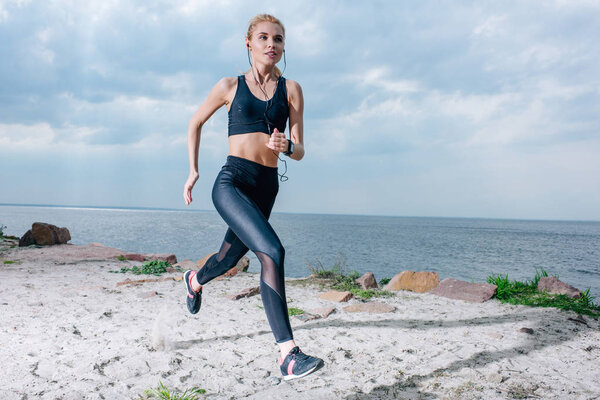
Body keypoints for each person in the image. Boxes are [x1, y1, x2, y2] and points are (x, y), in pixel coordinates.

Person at [182, 14, 324, 381]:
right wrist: (193, 170)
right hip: (232, 182)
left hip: (266, 186)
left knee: (228, 259)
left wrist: (288, 146)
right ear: (249, 44)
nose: (271, 44)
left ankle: (195, 281)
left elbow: (301, 149)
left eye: (278, 39)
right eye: (263, 37)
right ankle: (288, 355)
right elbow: (195, 122)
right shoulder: (229, 86)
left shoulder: (291, 90)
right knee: (272, 252)